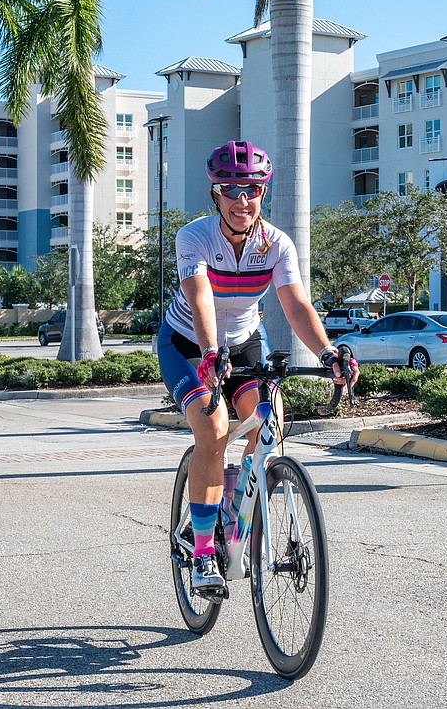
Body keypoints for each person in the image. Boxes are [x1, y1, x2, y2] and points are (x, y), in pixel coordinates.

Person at [157, 140, 358, 592]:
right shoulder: (194, 236)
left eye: (250, 189)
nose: (241, 199)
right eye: (230, 189)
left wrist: (328, 353)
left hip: (246, 343)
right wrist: (210, 350)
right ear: (216, 194)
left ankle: (235, 510)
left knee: (272, 426)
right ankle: (205, 551)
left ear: (263, 192)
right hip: (188, 344)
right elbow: (200, 294)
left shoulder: (276, 244)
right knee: (213, 430)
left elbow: (295, 303)